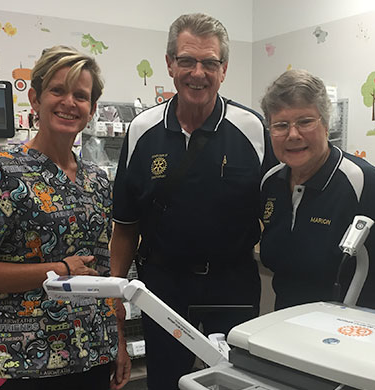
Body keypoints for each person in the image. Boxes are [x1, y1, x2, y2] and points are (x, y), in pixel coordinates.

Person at [110, 13, 276, 390]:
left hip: (232, 281)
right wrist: (116, 302)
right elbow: (124, 227)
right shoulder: (142, 130)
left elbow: (278, 204)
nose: (197, 73)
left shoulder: (252, 129)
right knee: (169, 381)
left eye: (209, 62)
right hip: (164, 285)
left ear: (224, 69)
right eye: (187, 60)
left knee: (237, 381)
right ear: (170, 64)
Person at [0, 45, 130, 390]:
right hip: (23, 363)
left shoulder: (96, 181)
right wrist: (59, 271)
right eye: (58, 90)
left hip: (92, 355)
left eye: (81, 96)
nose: (69, 103)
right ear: (35, 98)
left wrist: (117, 342)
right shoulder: (3, 172)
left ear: (92, 109)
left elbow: (104, 273)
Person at [259, 69, 375, 318]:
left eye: (305, 122)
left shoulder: (365, 183)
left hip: (359, 339)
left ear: (326, 124)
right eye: (281, 125)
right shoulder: (270, 183)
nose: (293, 134)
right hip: (291, 334)